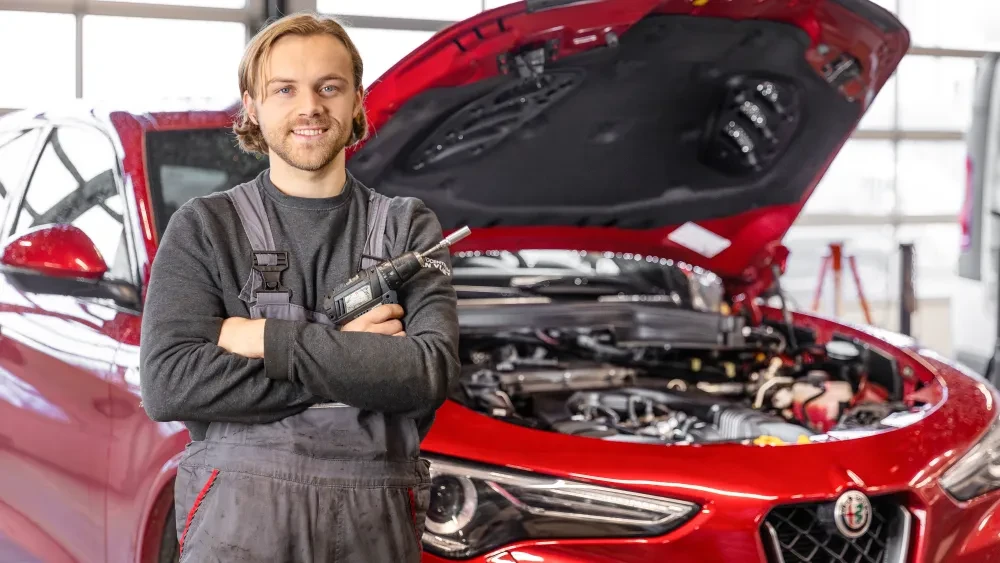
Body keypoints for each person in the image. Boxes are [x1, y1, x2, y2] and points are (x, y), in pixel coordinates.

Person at [138, 12, 460, 562]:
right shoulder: (204, 228)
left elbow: (428, 373)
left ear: (356, 100)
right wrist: (351, 353)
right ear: (252, 106)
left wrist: (268, 338)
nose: (309, 106)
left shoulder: (409, 229)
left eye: (328, 87)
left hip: (372, 533)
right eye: (284, 89)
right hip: (236, 535)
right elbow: (169, 383)